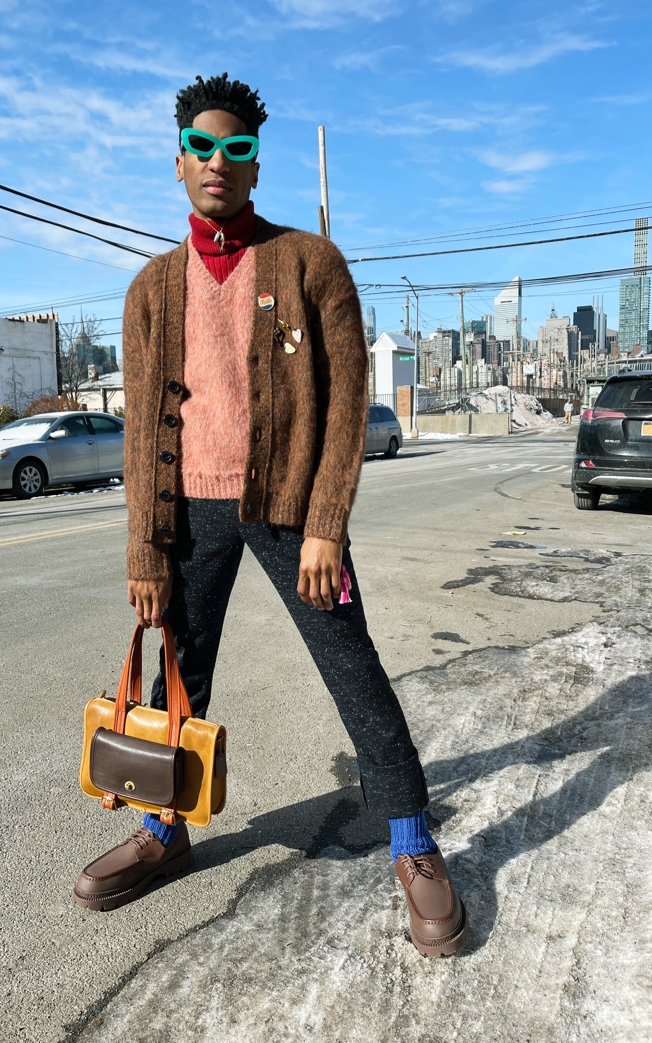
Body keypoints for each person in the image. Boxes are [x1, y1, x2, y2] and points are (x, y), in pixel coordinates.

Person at [72, 73, 468, 957]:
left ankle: (412, 839)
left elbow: (344, 400)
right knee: (173, 677)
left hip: (288, 510)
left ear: (256, 165)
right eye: (203, 148)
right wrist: (144, 548)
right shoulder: (149, 290)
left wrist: (327, 521)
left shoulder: (308, 263)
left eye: (237, 149)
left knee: (351, 668)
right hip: (186, 514)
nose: (220, 162)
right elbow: (142, 430)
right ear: (178, 164)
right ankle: (163, 830)